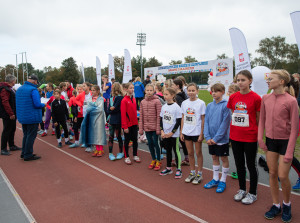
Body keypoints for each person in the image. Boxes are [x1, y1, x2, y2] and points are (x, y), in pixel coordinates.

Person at [258, 70, 298, 222]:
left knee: (282, 175)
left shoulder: (291, 101)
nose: (267, 80)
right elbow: (262, 120)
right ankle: (276, 205)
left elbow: (295, 129)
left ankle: (286, 204)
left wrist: (289, 152)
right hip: (270, 141)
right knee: (273, 174)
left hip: (286, 142)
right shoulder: (265, 98)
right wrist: (260, 139)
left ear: (281, 81)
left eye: (271, 78)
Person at [227, 70, 261, 205]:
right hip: (235, 136)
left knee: (251, 165)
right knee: (239, 164)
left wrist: (255, 133)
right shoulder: (233, 97)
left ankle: (252, 192)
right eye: (238, 80)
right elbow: (233, 113)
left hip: (250, 137)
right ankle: (242, 189)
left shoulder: (256, 98)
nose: (240, 83)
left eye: (243, 80)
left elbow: (258, 119)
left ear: (250, 81)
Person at [203, 83, 231, 193]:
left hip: (221, 139)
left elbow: (225, 124)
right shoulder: (209, 105)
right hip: (211, 138)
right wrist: (208, 136)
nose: (214, 93)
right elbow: (206, 122)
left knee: (223, 158)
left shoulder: (226, 105)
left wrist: (216, 138)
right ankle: (215, 178)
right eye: (212, 91)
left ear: (223, 92)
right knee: (214, 157)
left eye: (217, 91)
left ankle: (223, 180)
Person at [180, 83, 206, 185]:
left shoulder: (201, 103)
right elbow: (183, 117)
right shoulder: (184, 103)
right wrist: (181, 131)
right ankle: (192, 172)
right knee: (190, 153)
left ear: (197, 91)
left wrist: (201, 133)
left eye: (193, 90)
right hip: (187, 131)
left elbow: (203, 119)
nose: (191, 92)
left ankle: (199, 173)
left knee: (198, 153)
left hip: (196, 132)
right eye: (189, 91)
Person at [16, 75, 45, 161]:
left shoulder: (19, 89)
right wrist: (44, 104)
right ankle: (28, 154)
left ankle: (24, 152)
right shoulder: (33, 90)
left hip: (23, 116)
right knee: (31, 136)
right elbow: (37, 104)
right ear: (35, 81)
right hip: (32, 117)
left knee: (26, 135)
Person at [159, 88, 183, 178]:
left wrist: (172, 132)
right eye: (164, 94)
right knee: (168, 151)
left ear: (173, 95)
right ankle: (168, 167)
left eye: (167, 94)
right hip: (165, 134)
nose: (165, 96)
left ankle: (179, 169)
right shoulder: (164, 106)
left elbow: (178, 121)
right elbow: (161, 119)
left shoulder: (176, 107)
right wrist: (162, 131)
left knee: (176, 151)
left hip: (174, 134)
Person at [139, 84, 162, 170]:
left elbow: (159, 116)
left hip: (155, 128)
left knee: (156, 143)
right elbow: (141, 116)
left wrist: (158, 128)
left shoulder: (157, 101)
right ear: (145, 91)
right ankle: (153, 159)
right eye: (147, 90)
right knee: (150, 144)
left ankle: (158, 160)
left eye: (150, 90)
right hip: (147, 127)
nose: (149, 92)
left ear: (154, 91)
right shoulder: (142, 102)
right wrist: (141, 128)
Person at [80, 85, 107, 157]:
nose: (92, 91)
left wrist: (92, 108)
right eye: (92, 90)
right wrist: (94, 107)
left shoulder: (100, 99)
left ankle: (100, 149)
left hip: (99, 119)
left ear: (98, 91)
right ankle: (96, 149)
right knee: (94, 134)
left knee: (99, 134)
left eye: (94, 90)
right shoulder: (90, 99)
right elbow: (87, 109)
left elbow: (100, 109)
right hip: (92, 119)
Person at [0, 75, 20, 155]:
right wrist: (11, 113)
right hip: (8, 114)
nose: (15, 82)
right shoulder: (5, 89)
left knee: (12, 129)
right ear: (12, 81)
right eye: (14, 81)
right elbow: (5, 102)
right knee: (7, 130)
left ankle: (12, 145)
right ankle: (3, 148)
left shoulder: (9, 89)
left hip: (12, 112)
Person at [121, 83, 140, 165]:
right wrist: (125, 126)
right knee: (127, 141)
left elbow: (134, 112)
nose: (132, 89)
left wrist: (137, 122)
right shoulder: (124, 100)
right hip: (127, 125)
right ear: (126, 89)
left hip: (134, 124)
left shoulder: (134, 99)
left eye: (133, 88)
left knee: (135, 140)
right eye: (130, 88)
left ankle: (135, 155)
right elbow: (123, 115)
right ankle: (126, 156)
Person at [172, 79, 189, 166]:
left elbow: (178, 110)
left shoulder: (178, 97)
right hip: (182, 120)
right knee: (183, 141)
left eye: (173, 85)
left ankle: (178, 158)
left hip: (179, 121)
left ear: (177, 86)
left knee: (179, 140)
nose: (172, 86)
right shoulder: (183, 95)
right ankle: (186, 157)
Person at [107, 82, 124, 161]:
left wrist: (111, 109)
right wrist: (111, 109)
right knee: (114, 136)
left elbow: (116, 109)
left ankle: (118, 152)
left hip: (117, 119)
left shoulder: (120, 98)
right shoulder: (111, 98)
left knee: (115, 136)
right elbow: (108, 109)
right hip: (113, 119)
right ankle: (113, 153)